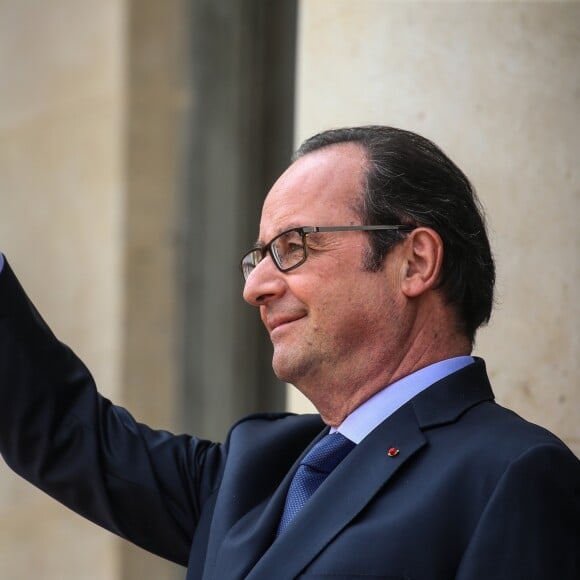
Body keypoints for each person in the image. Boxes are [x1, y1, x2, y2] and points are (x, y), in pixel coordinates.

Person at [0, 125, 578, 579]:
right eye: (259, 257)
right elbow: (63, 430)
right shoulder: (257, 468)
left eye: (293, 246)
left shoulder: (514, 475)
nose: (255, 287)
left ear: (415, 262)